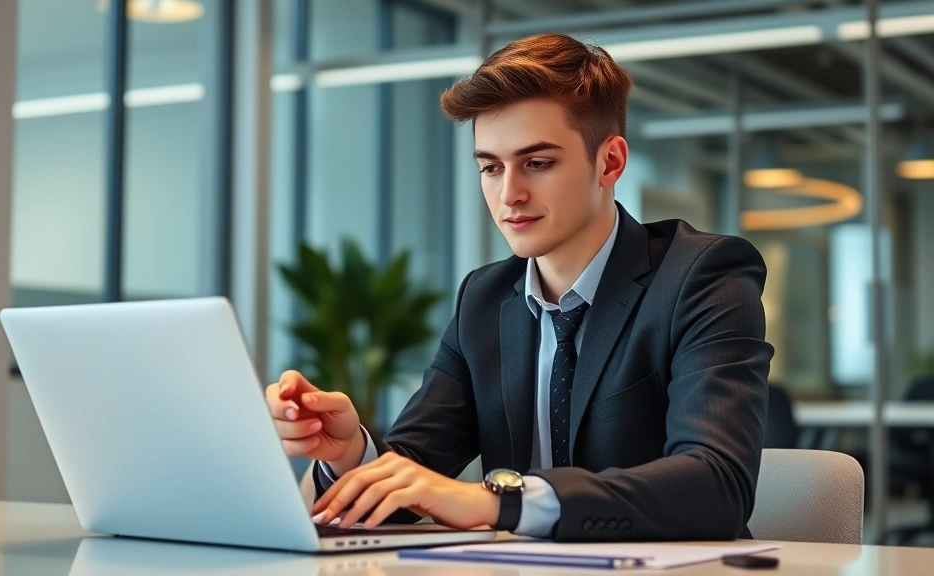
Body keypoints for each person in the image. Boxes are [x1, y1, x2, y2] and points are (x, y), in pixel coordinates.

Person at [266, 33, 773, 542]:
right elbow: (414, 472)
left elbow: (718, 484)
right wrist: (350, 451)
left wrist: (498, 502)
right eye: (491, 167)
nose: (509, 194)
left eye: (538, 163)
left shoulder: (702, 276)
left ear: (610, 162)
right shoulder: (484, 298)